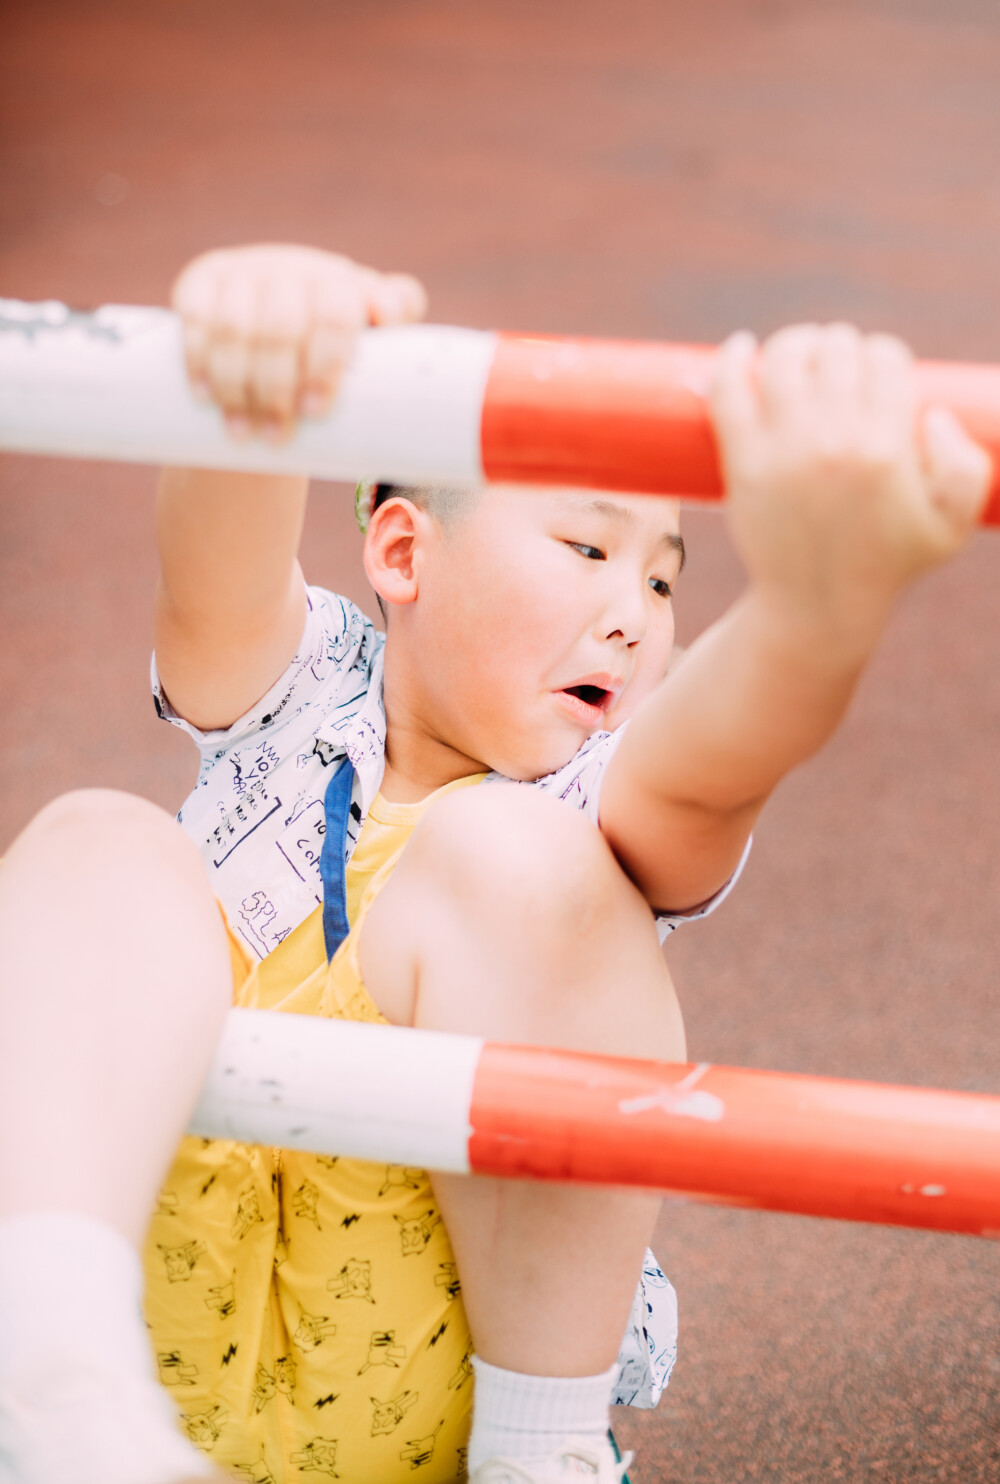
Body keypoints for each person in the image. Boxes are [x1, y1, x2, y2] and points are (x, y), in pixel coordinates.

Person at [0, 244, 990, 1484]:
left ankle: (543, 1458)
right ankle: (46, 1362)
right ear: (404, 555)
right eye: (588, 547)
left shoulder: (584, 803)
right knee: (98, 837)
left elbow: (710, 767)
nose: (635, 608)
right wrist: (255, 375)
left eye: (666, 577)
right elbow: (215, 584)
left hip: (434, 1383)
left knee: (526, 860)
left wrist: (817, 609)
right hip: (144, 1346)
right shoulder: (289, 694)